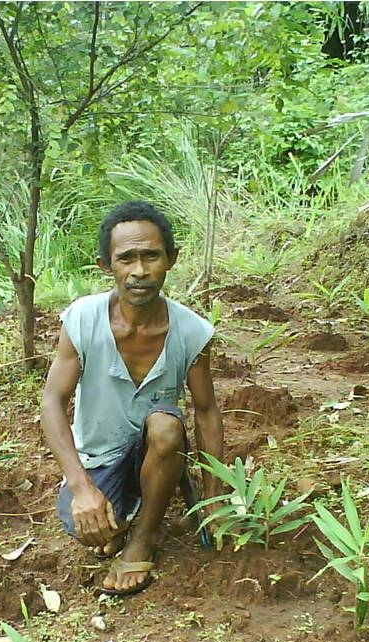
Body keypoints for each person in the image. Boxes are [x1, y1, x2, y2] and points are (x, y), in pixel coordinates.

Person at [41, 200, 224, 596]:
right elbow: (52, 401)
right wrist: (81, 489)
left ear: (170, 260)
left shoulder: (191, 331)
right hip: (99, 457)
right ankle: (127, 508)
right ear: (106, 265)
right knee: (82, 526)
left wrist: (213, 495)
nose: (139, 271)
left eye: (151, 256)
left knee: (165, 427)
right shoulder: (82, 320)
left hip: (158, 444)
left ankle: (144, 536)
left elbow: (207, 411)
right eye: (126, 259)